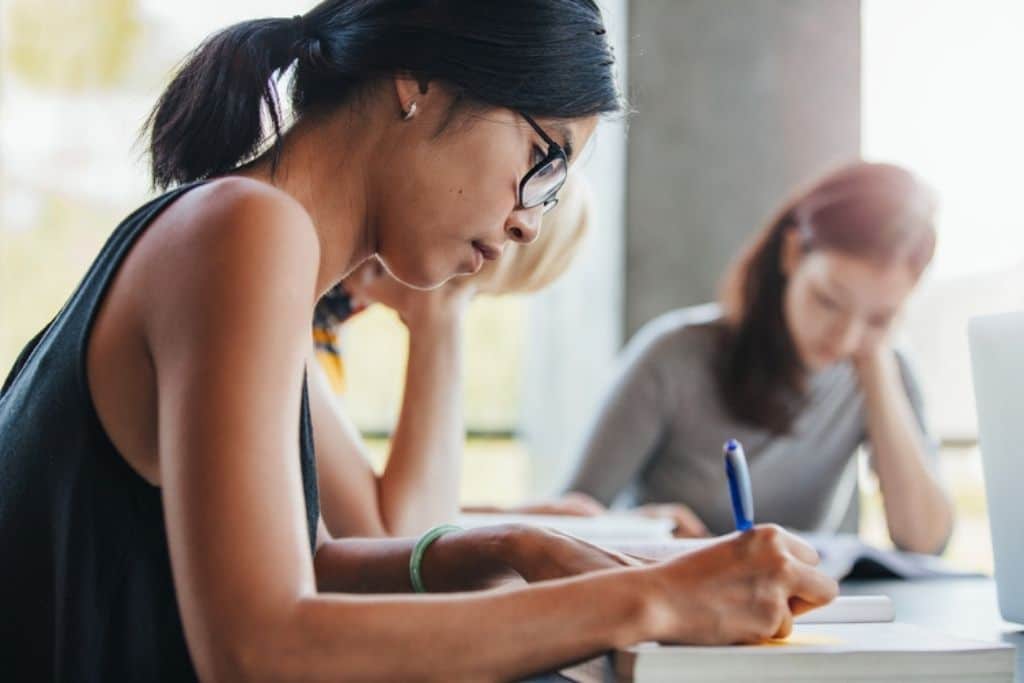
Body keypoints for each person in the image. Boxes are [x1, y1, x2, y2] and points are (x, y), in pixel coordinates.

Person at [0, 2, 837, 680]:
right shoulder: (246, 230)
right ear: (419, 81)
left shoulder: (243, 232)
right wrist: (655, 598)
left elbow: (312, 564)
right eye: (545, 162)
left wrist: (515, 545)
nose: (523, 221)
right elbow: (260, 647)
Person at [564, 162, 954, 554]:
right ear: (792, 254)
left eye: (879, 318)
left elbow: (924, 542)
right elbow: (564, 522)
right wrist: (636, 531)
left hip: (799, 609)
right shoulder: (674, 356)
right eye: (828, 301)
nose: (846, 337)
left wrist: (876, 371)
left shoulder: (882, 366)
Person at [310, 173, 603, 538]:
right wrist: (438, 314)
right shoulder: (296, 302)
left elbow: (324, 506)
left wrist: (502, 516)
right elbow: (402, 542)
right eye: (472, 289)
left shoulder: (327, 314)